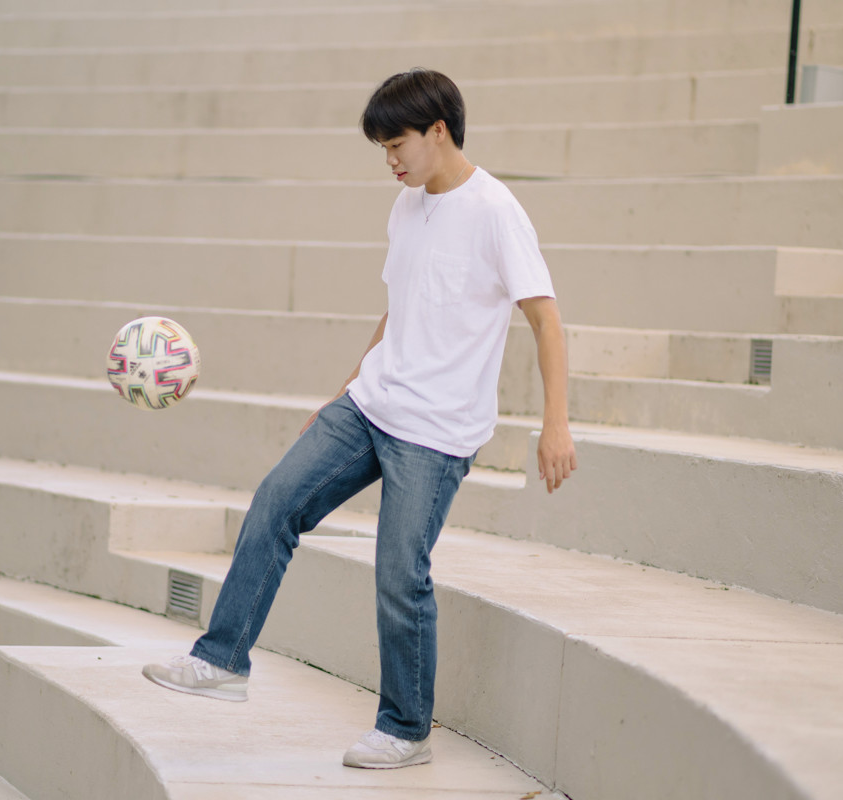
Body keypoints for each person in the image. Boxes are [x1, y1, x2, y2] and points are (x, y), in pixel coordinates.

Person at [142, 68, 577, 769]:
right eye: (382, 148)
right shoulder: (406, 207)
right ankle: (221, 660)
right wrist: (346, 389)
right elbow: (399, 308)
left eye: (397, 144)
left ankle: (405, 729)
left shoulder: (496, 211)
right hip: (372, 405)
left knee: (400, 573)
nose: (390, 160)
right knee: (275, 502)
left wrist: (556, 425)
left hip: (436, 433)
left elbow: (546, 321)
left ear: (439, 130)